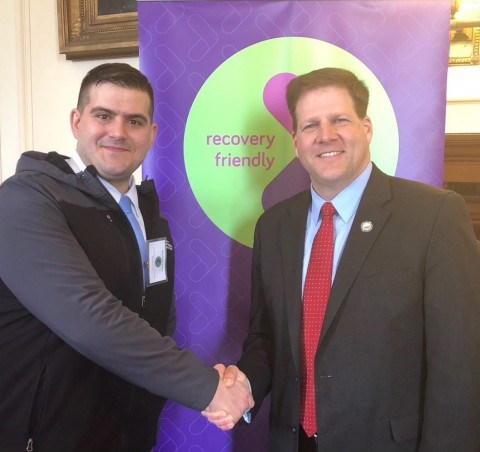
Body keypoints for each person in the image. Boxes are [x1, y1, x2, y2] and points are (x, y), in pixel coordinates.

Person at [204, 67, 480, 451]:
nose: (326, 136)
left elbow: (460, 362)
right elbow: (266, 338)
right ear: (296, 140)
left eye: (340, 120)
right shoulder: (274, 227)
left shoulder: (433, 215)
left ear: (366, 128)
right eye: (311, 125)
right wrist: (245, 383)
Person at [0, 63, 253, 452]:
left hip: (126, 436)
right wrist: (206, 388)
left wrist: (213, 386)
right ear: (77, 121)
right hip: (43, 437)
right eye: (103, 115)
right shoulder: (25, 200)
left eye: (134, 121)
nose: (117, 132)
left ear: (151, 135)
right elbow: (90, 316)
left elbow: (156, 322)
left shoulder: (150, 217)